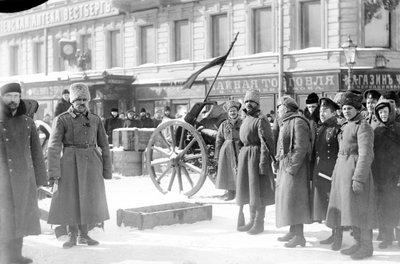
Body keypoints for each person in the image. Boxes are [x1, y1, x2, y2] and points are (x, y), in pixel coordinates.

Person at [46, 83, 112, 249]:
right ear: (72, 101)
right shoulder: (62, 119)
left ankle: (84, 235)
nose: (81, 103)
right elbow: (53, 147)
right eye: (78, 100)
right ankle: (71, 235)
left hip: (92, 163)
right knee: (71, 198)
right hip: (69, 163)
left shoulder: (96, 120)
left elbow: (104, 145)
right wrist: (53, 172)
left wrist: (106, 170)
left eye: (85, 99)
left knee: (89, 198)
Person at [0, 82, 48, 264]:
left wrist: (40, 180)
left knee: (20, 218)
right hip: (2, 180)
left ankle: (16, 256)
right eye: (9, 96)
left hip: (22, 178)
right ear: (2, 98)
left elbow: (36, 152)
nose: (13, 100)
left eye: (16, 96)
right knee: (3, 220)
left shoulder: (27, 122)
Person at [325, 91, 376, 260]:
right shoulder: (346, 125)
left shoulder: (363, 127)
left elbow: (366, 154)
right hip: (343, 174)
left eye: (349, 108)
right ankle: (357, 243)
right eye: (344, 108)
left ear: (357, 109)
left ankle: (366, 246)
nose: (346, 111)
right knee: (350, 211)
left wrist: (358, 178)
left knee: (361, 210)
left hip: (355, 174)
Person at [275, 96, 312, 248]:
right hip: (287, 165)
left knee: (296, 201)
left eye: (280, 107)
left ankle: (299, 236)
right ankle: (293, 231)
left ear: (287, 108)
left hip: (296, 169)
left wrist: (292, 167)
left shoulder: (298, 122)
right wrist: (278, 160)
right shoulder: (286, 121)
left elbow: (300, 148)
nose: (277, 110)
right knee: (289, 201)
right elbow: (281, 145)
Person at [236, 89, 275, 235]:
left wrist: (264, 163)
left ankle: (259, 223)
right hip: (246, 158)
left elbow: (267, 143)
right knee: (249, 190)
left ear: (257, 103)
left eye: (251, 101)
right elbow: (242, 139)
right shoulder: (246, 119)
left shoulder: (261, 119)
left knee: (258, 191)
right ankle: (251, 221)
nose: (248, 104)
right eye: (246, 101)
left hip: (256, 158)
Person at [312, 98, 342, 250]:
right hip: (321, 171)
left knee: (335, 204)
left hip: (332, 172)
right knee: (327, 205)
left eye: (325, 111)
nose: (322, 114)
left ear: (333, 112)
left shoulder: (338, 128)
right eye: (321, 111)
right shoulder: (320, 128)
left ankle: (338, 236)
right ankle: (333, 233)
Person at [372, 97, 400, 249]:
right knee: (383, 206)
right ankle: (387, 237)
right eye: (380, 112)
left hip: (396, 176)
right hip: (381, 175)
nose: (383, 115)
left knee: (397, 206)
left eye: (385, 112)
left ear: (391, 112)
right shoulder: (377, 130)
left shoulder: (399, 128)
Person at [215, 100, 242, 201]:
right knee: (228, 171)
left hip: (239, 149)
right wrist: (217, 154)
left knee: (240, 170)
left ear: (237, 112)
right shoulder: (224, 124)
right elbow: (219, 139)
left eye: (234, 111)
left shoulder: (242, 122)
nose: (233, 113)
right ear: (228, 113)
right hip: (226, 151)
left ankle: (240, 192)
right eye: (231, 111)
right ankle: (230, 193)